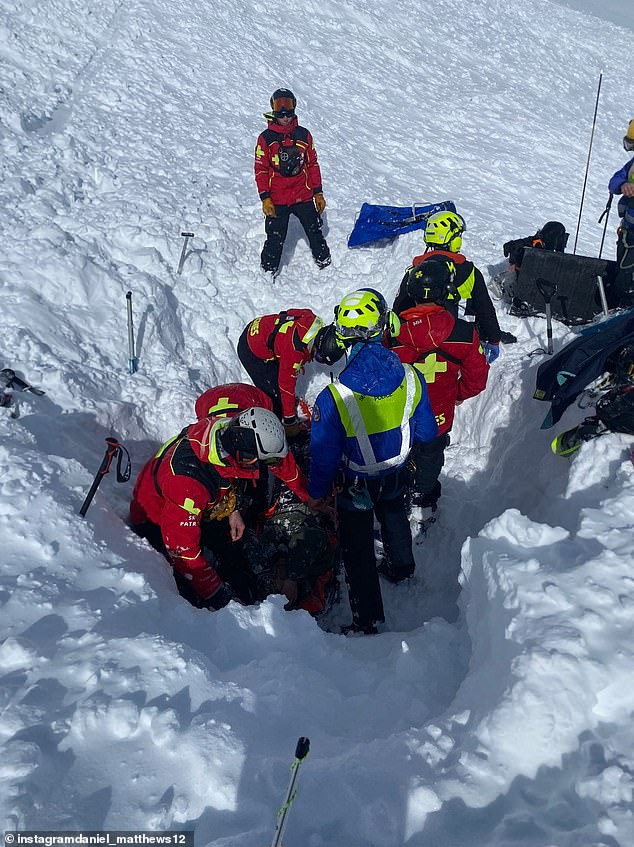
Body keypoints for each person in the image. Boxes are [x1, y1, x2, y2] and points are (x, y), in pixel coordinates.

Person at [308, 289, 439, 634]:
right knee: (394, 519)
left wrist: (317, 492)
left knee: (358, 549)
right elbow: (426, 431)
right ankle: (402, 567)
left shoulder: (335, 397)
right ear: (384, 327)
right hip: (397, 472)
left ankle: (367, 618)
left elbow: (322, 456)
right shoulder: (411, 377)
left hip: (356, 484)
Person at [129, 407, 290, 610]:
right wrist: (221, 597)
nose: (259, 468)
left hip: (195, 509)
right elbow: (182, 552)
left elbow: (227, 474)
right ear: (245, 456)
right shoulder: (188, 483)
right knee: (190, 596)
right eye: (259, 461)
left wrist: (234, 510)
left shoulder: (221, 432)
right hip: (157, 525)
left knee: (238, 553)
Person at [391, 258, 489, 520]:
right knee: (430, 458)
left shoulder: (393, 333)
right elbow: (477, 379)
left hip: (398, 416)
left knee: (396, 456)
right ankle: (423, 499)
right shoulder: (465, 333)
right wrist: (457, 394)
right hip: (438, 416)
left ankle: (395, 495)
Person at [392, 210, 505, 363]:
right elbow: (485, 310)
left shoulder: (415, 272)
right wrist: (494, 339)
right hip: (453, 343)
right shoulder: (469, 272)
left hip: (417, 343)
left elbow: (399, 308)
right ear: (453, 240)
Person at [194, 381, 312, 518]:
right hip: (208, 400)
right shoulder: (210, 452)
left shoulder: (261, 431)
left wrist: (307, 496)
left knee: (259, 471)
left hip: (254, 397)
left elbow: (285, 466)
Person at [255, 88, 331, 277]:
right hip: (277, 198)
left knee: (314, 230)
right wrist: (265, 197)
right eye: (279, 109)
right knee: (274, 238)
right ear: (273, 109)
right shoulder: (266, 139)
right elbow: (261, 169)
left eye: (288, 108)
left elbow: (312, 164)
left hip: (303, 194)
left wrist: (318, 192)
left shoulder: (303, 135)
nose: (285, 116)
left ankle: (325, 262)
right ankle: (268, 271)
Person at [237, 308, 324, 435]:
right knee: (274, 394)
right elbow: (285, 387)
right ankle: (276, 428)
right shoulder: (293, 353)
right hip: (251, 351)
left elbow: (290, 312)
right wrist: (289, 421)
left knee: (280, 378)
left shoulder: (311, 319)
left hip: (260, 329)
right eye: (317, 355)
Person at [608, 119, 634, 308]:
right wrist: (622, 185)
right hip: (629, 231)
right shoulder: (632, 165)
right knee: (623, 272)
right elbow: (614, 181)